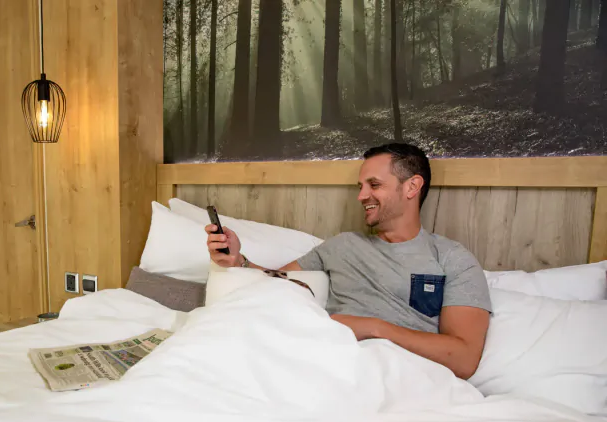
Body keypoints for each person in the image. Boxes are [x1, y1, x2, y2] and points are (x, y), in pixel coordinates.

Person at [205, 143, 491, 380]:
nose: (361, 196)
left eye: (374, 185)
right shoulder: (341, 246)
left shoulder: (453, 259)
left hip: (406, 379)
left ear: (412, 186)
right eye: (361, 186)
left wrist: (372, 328)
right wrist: (238, 260)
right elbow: (279, 281)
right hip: (328, 367)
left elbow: (464, 358)